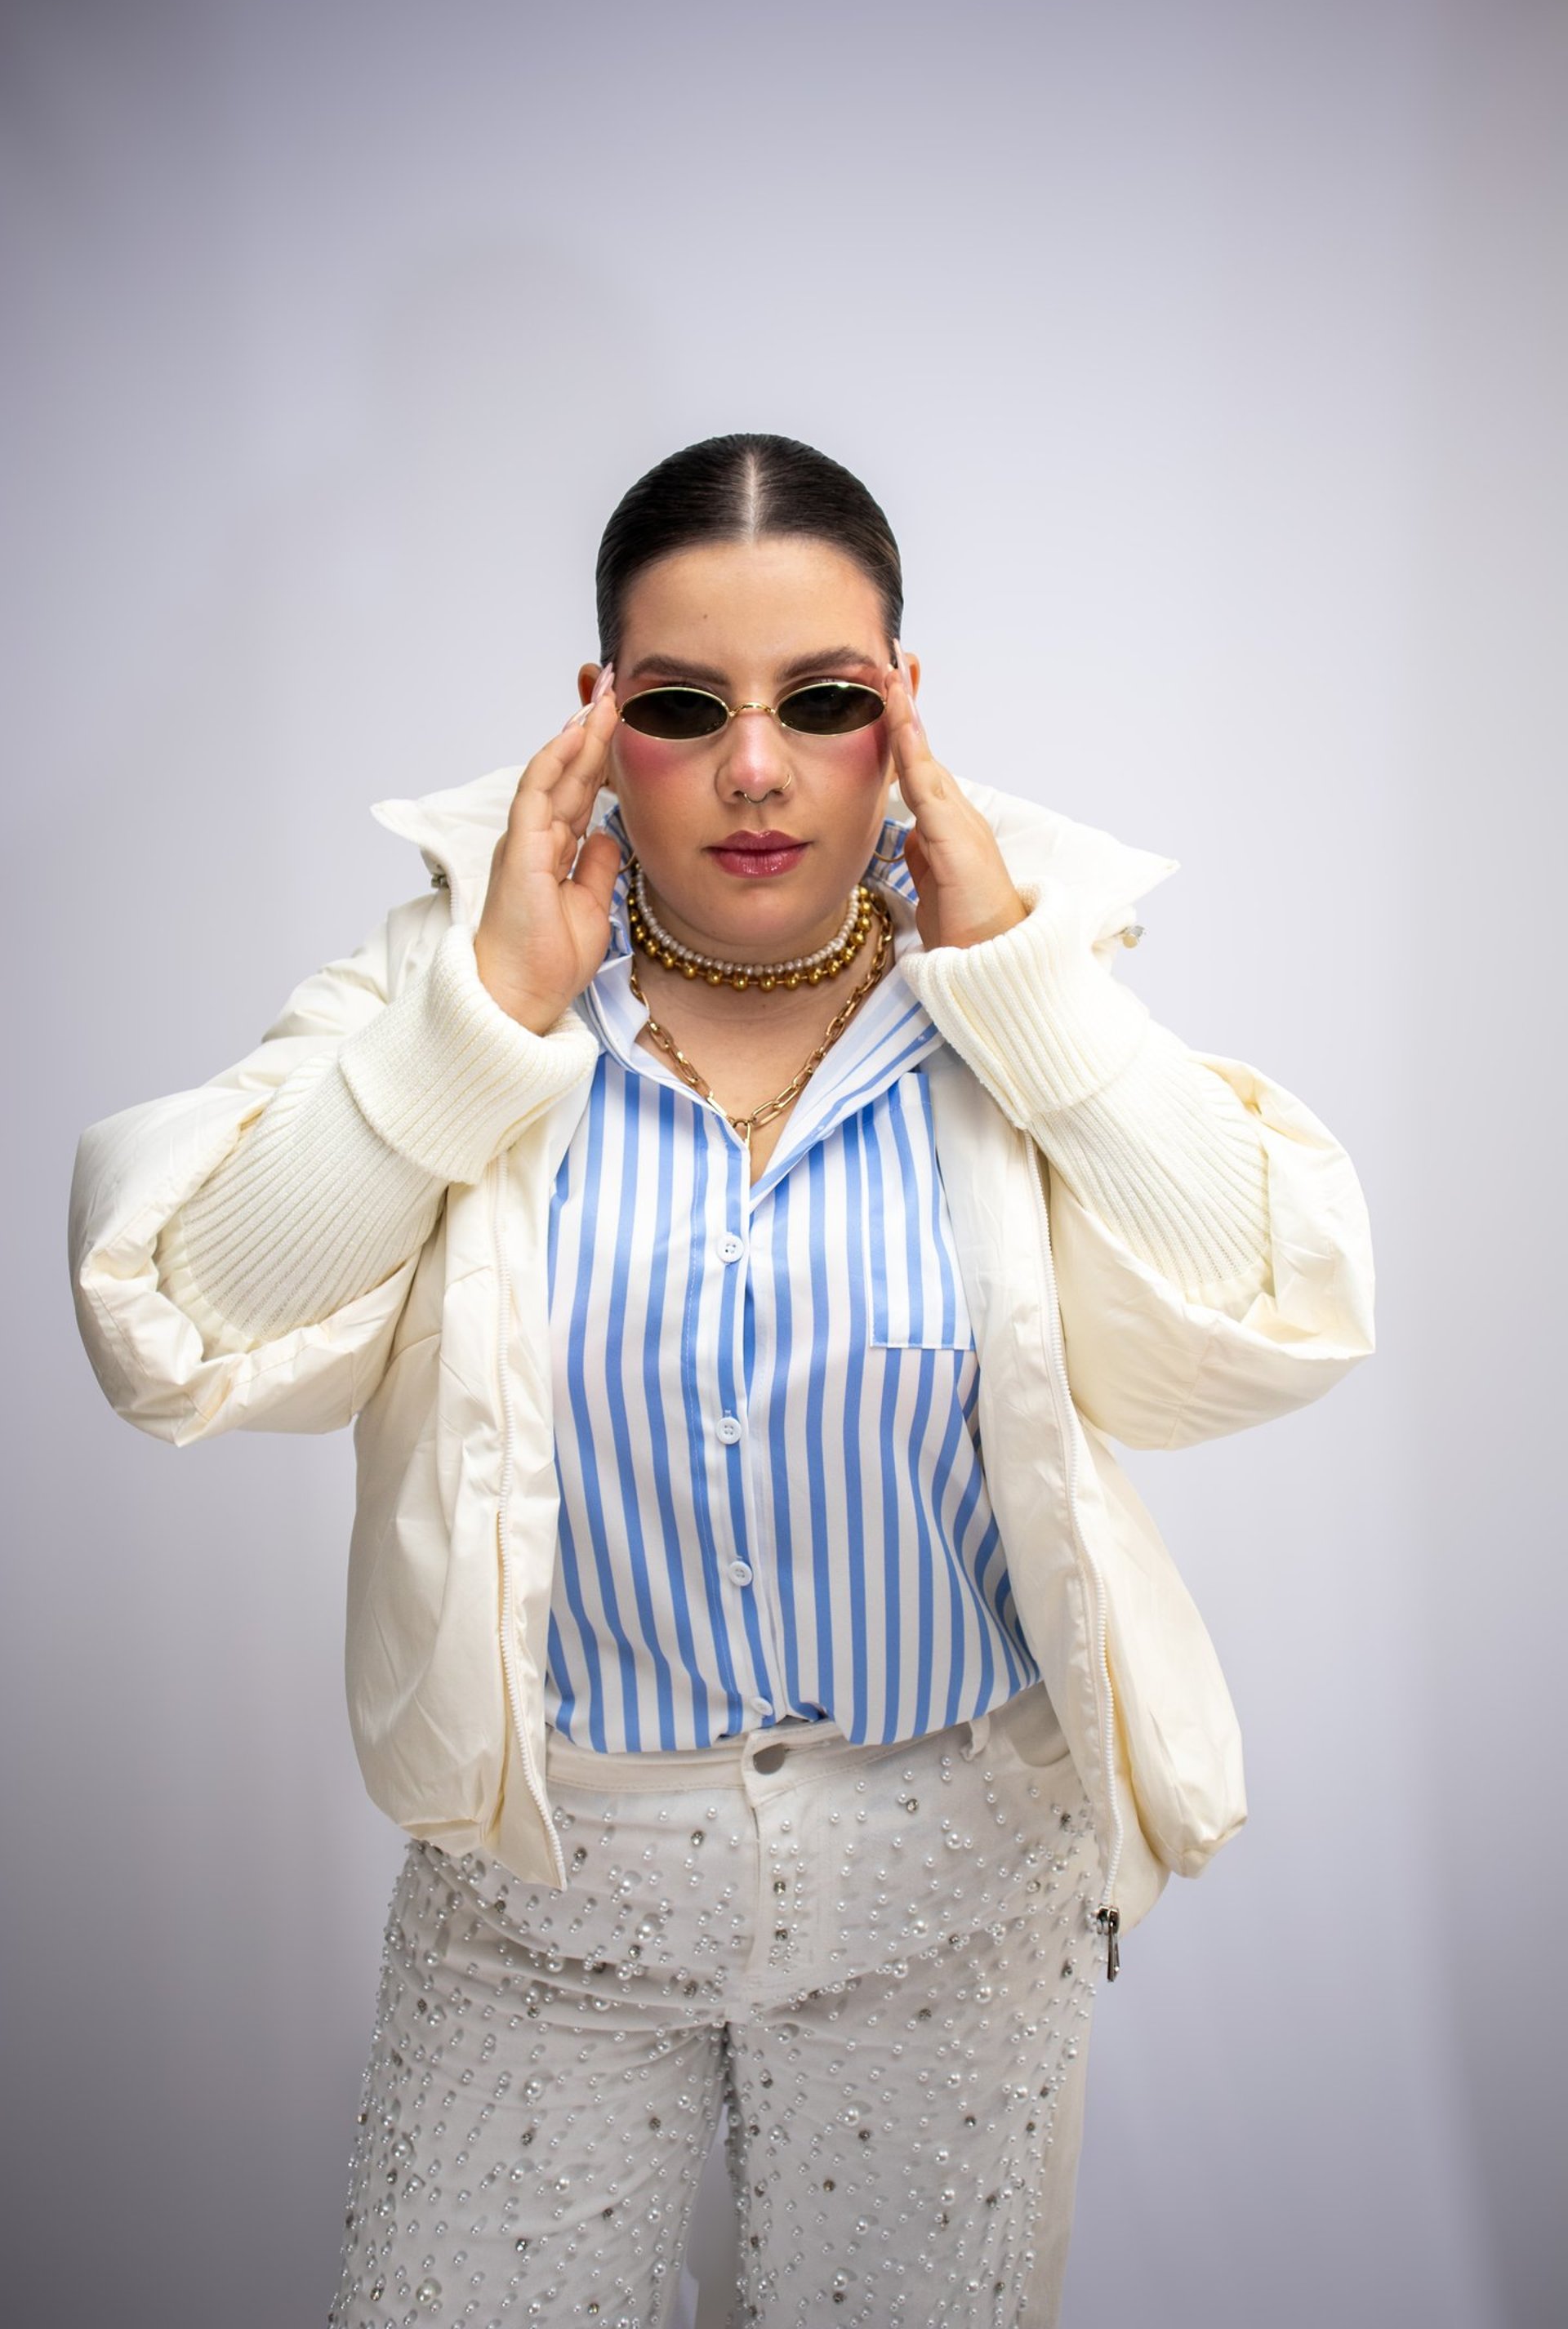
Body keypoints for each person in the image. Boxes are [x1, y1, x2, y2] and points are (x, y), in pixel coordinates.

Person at [68, 431, 1375, 2329]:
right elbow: (170, 1319)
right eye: (686, 705)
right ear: (599, 719)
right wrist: (487, 1024)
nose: (756, 767)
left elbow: (1289, 1297)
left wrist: (1017, 977)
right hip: (543, 1905)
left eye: (824, 701)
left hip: (954, 1895)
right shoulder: (462, 991)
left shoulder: (1015, 1005)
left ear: (902, 715)